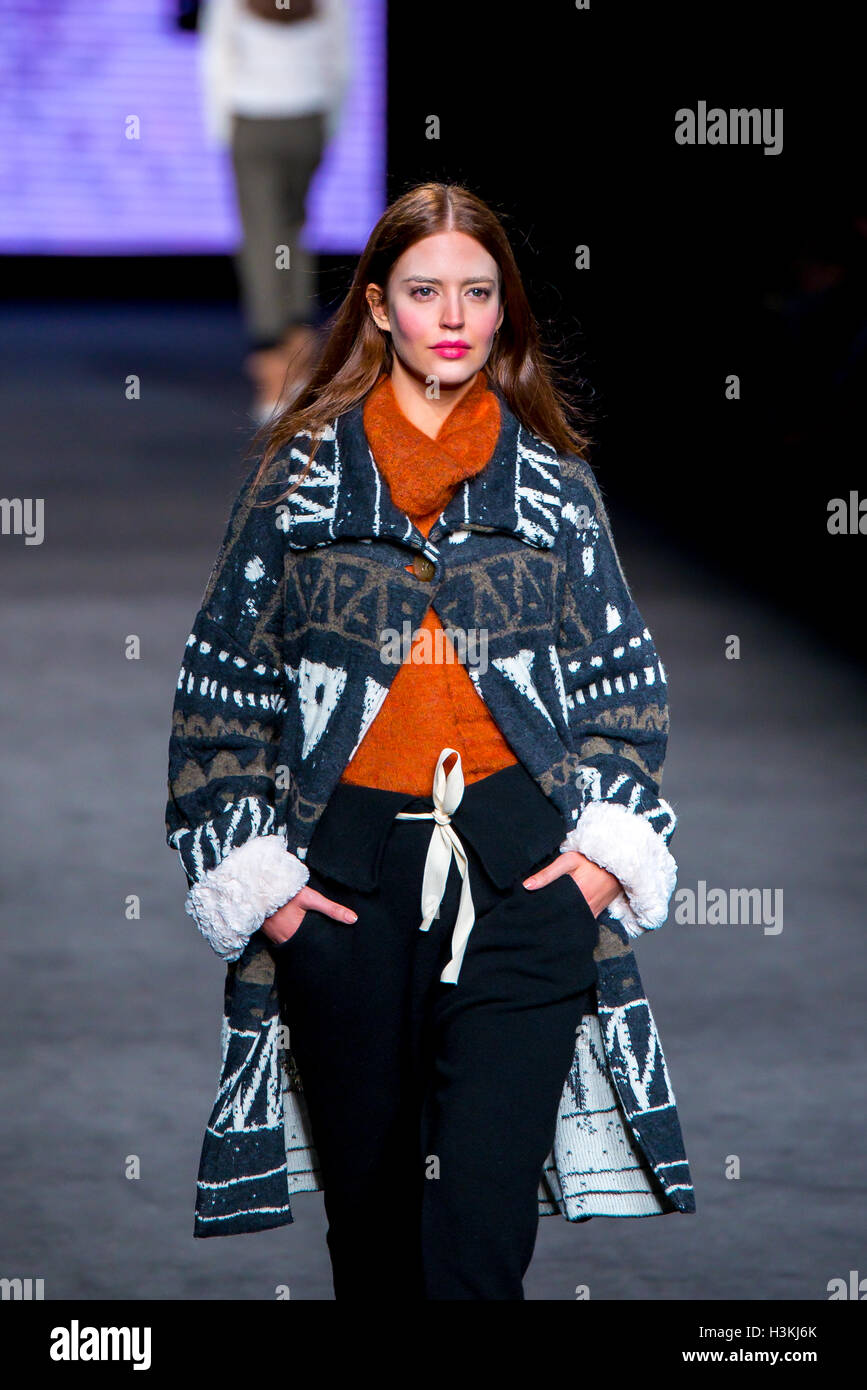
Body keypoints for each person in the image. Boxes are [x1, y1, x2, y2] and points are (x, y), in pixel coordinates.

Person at [165, 182, 696, 1301]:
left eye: (477, 292)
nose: (451, 316)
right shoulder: (299, 486)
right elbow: (220, 696)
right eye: (424, 291)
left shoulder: (554, 488)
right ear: (376, 309)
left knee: (477, 1245)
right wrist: (267, 892)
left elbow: (625, 690)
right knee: (376, 1248)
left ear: (504, 315)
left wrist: (596, 869)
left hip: (522, 884)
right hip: (344, 890)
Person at [197, 0, 352, 420]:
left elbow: (217, 58)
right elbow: (340, 63)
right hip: (308, 119)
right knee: (292, 232)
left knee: (262, 239)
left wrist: (221, 130)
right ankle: (297, 357)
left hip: (253, 120)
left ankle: (272, 370)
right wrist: (330, 125)